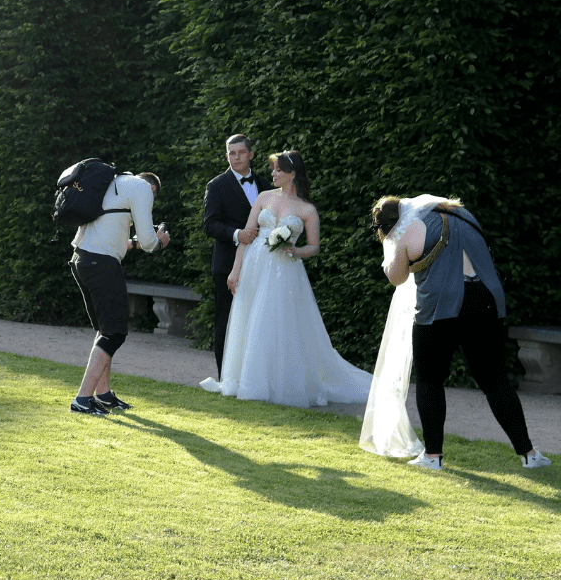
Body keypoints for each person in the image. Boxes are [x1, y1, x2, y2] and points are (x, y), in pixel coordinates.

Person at [369, 195, 550, 471]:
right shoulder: (464, 215)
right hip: (485, 300)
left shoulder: (410, 228)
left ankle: (433, 457)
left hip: (441, 306)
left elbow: (397, 277)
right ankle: (530, 454)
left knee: (430, 380)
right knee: (496, 381)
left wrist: (389, 257)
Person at [219, 151, 372, 407]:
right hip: (255, 264)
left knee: (277, 322)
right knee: (250, 318)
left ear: (292, 174)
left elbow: (314, 246)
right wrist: (235, 271)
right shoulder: (264, 197)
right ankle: (246, 380)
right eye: (273, 169)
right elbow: (247, 236)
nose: (273, 174)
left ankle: (280, 383)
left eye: (278, 170)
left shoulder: (307, 209)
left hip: (285, 270)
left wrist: (296, 250)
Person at [69, 171, 171, 415]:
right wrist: (160, 243)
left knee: (105, 330)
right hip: (102, 264)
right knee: (115, 333)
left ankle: (103, 395)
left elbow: (117, 238)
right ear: (153, 190)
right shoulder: (142, 190)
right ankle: (82, 399)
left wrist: (138, 241)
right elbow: (148, 242)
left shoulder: (111, 184)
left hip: (80, 259)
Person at [201, 134, 272, 391]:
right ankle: (225, 379)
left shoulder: (266, 185)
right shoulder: (217, 185)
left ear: (251, 154)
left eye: (241, 152)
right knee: (226, 320)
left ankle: (255, 377)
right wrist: (236, 234)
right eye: (231, 153)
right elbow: (210, 224)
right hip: (227, 264)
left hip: (264, 265)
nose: (236, 157)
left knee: (258, 320)